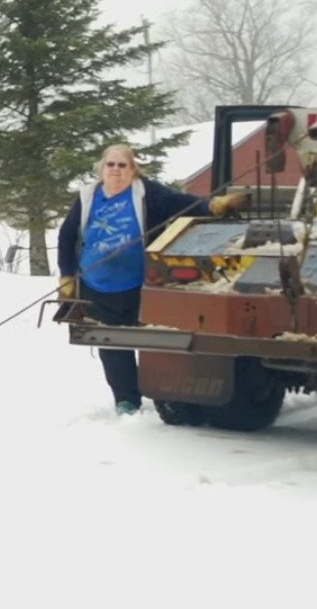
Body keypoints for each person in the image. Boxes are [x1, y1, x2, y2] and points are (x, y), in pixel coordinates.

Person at [56, 143, 249, 415]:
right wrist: (66, 274)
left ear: (133, 170)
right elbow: (66, 236)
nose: (115, 170)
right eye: (110, 165)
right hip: (96, 285)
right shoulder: (88, 197)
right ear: (102, 168)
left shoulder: (147, 193)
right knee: (111, 343)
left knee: (153, 341)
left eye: (122, 165)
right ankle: (126, 400)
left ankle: (163, 394)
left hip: (140, 284)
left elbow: (184, 204)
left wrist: (215, 205)